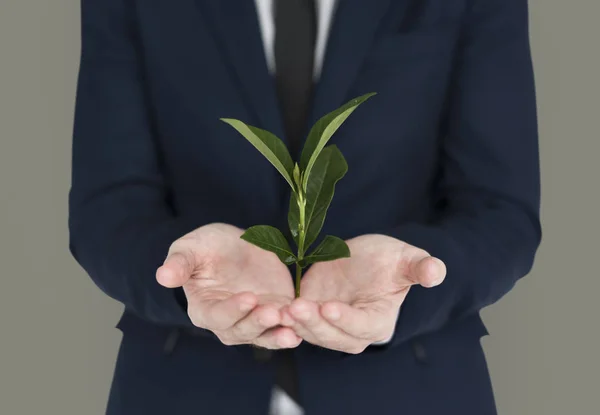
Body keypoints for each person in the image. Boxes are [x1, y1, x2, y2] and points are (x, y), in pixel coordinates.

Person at [69, 0, 540, 414]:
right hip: (182, 388)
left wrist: (412, 283)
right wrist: (186, 279)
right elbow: (107, 209)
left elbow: (501, 212)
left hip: (410, 388)